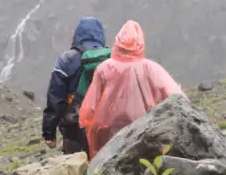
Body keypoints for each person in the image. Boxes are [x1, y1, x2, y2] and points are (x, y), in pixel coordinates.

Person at [79, 20, 185, 158]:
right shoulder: (151, 68)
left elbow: (89, 108)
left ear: (117, 43)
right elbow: (177, 97)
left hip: (109, 134)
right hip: (144, 130)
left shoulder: (104, 69)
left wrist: (86, 125)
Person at [42, 17, 107, 154]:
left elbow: (55, 98)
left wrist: (49, 132)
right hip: (104, 126)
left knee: (75, 170)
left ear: (77, 35)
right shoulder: (110, 58)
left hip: (73, 128)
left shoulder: (66, 60)